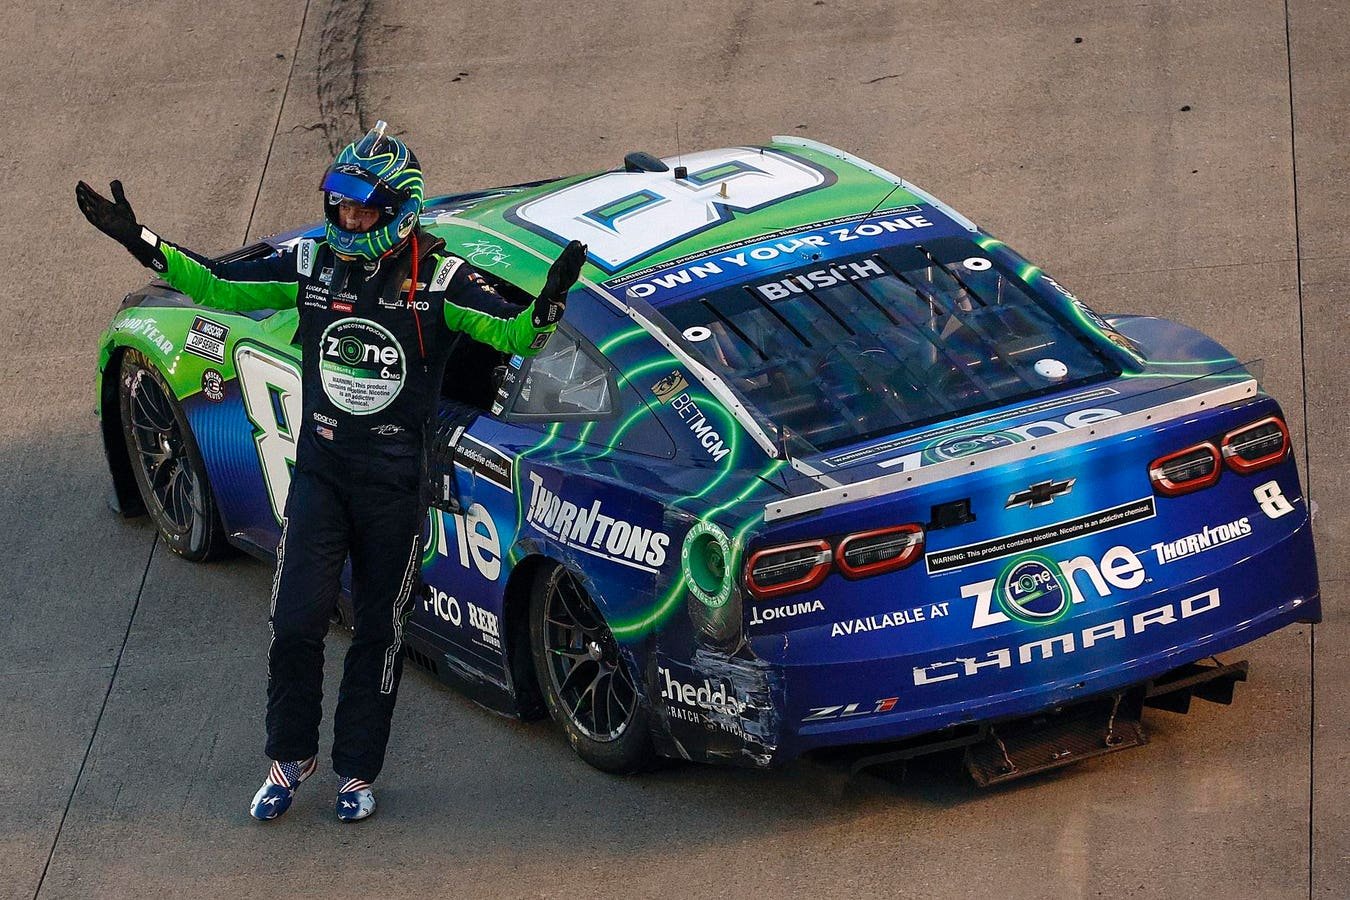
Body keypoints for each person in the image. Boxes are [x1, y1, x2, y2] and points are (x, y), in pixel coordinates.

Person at [76, 121, 585, 823]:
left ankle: (356, 772)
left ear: (398, 211)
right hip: (321, 476)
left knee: (379, 631)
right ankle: (289, 759)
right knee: (294, 621)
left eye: (362, 209)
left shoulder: (441, 278)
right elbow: (218, 285)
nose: (347, 219)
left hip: (396, 487)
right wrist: (141, 241)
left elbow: (511, 332)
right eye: (340, 205)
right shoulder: (313, 262)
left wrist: (547, 308)